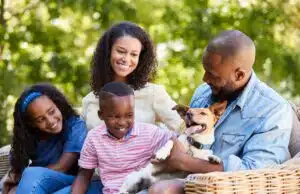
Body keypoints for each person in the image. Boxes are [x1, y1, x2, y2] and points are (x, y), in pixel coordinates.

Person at [148, 30, 293, 194]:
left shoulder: (273, 110)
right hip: (186, 180)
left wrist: (184, 162)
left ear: (239, 75)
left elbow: (254, 173)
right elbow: (186, 136)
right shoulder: (203, 93)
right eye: (205, 70)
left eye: (213, 75)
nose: (204, 79)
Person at [71, 82, 176, 194]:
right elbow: (84, 175)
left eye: (129, 115)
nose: (122, 122)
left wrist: (166, 154)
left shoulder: (149, 133)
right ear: (101, 115)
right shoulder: (94, 137)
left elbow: (175, 139)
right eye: (115, 116)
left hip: (143, 189)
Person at [82, 21, 183, 132]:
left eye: (134, 54)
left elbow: (183, 127)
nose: (126, 59)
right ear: (108, 52)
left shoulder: (154, 93)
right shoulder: (90, 99)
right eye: (121, 51)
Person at [2, 83, 89, 194]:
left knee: (30, 174)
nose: (50, 121)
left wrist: (26, 178)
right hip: (39, 186)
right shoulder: (31, 140)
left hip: (73, 183)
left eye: (51, 112)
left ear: (58, 105)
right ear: (32, 124)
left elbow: (62, 167)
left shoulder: (75, 126)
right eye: (40, 119)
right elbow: (17, 171)